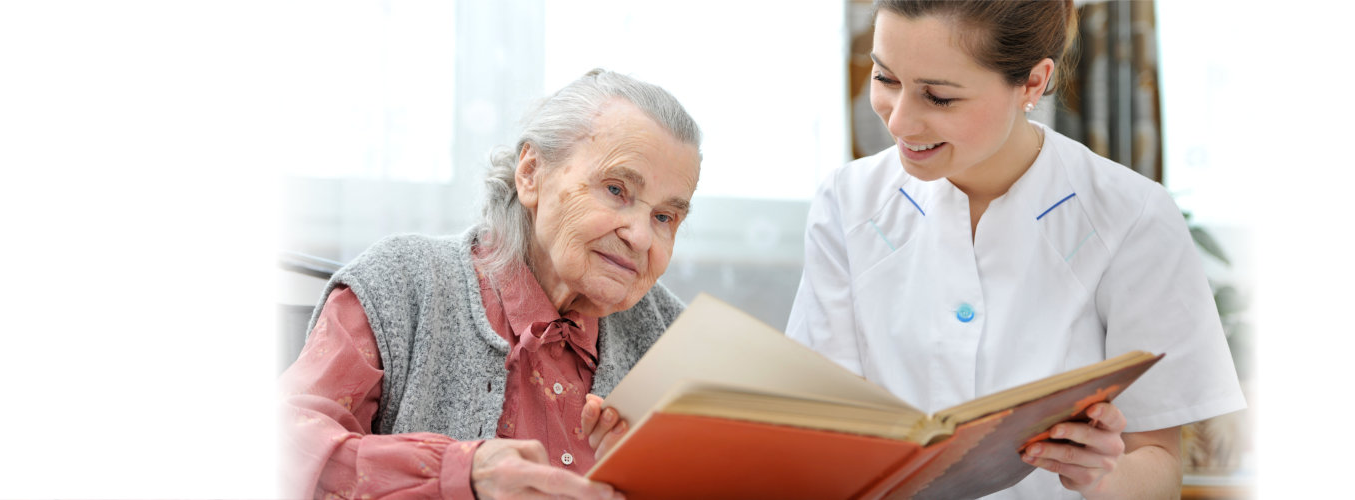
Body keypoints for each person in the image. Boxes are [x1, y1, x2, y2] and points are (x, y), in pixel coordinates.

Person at [785, 1, 1246, 498]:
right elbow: (819, 432)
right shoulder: (848, 201)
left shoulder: (1133, 217)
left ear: (1031, 83)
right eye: (885, 78)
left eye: (938, 97)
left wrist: (1100, 473)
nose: (899, 122)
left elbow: (1157, 467)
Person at [281, 68, 701, 500]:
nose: (641, 236)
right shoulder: (402, 285)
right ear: (531, 173)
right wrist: (464, 474)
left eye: (664, 217)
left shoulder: (678, 341)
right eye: (616, 189)